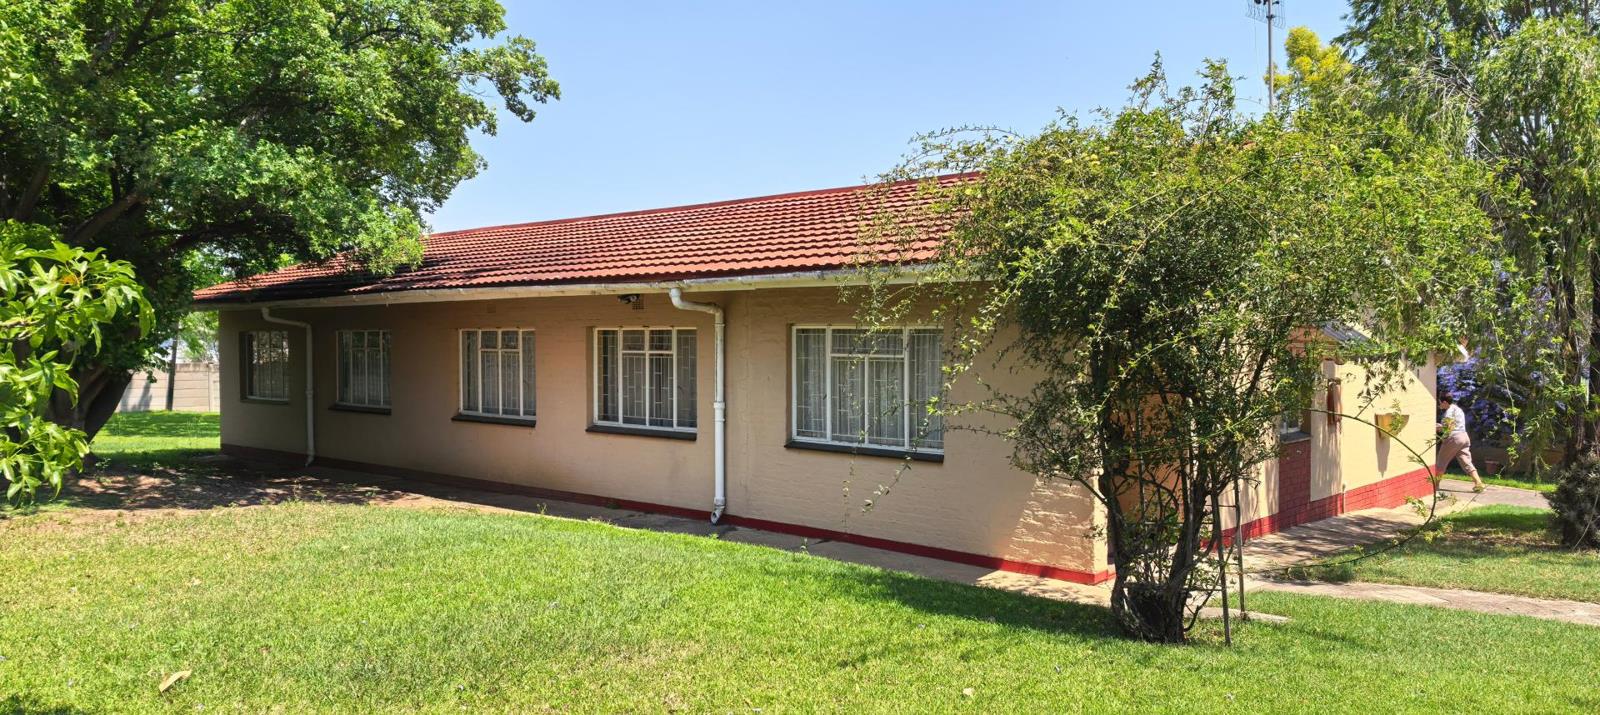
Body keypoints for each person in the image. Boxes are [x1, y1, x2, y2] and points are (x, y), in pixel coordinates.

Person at [1437, 394, 1485, 493]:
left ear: (1445, 402)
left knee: (1441, 461)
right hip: (1464, 437)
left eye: (1439, 403)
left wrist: (1437, 427)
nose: (1439, 405)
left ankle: (1435, 485)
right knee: (1466, 461)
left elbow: (1447, 428)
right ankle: (1478, 483)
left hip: (1454, 438)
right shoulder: (1458, 409)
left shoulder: (1448, 412)